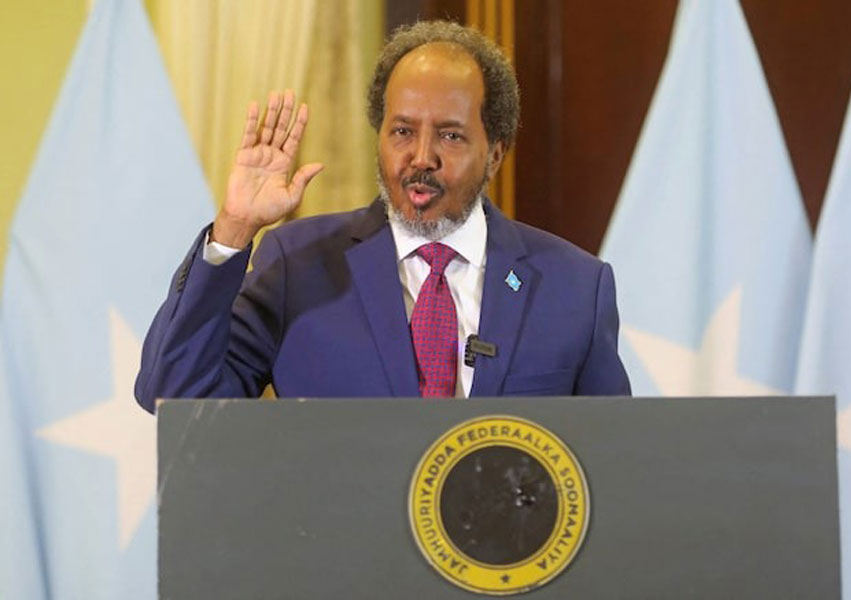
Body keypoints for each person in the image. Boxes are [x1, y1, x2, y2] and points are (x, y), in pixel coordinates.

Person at [135, 20, 630, 413]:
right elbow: (174, 395)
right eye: (401, 132)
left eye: (450, 136)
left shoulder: (575, 288)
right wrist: (234, 230)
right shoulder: (299, 264)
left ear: (495, 152)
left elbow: (614, 463)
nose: (421, 157)